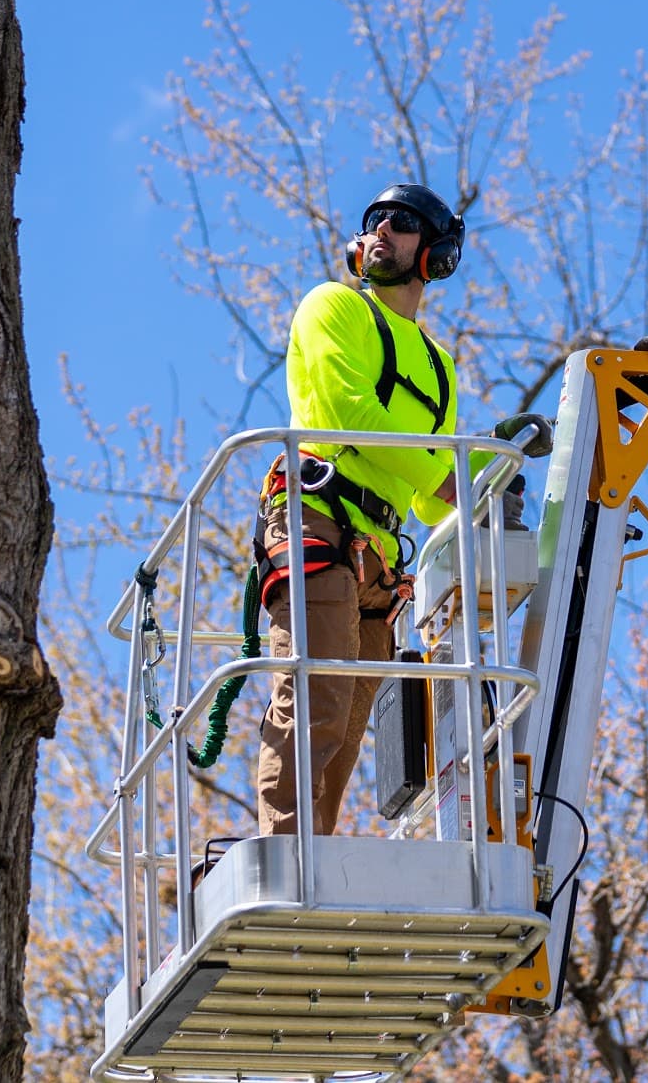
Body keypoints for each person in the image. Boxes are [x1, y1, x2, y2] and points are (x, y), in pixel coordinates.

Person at [253, 183, 467, 836]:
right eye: (373, 220)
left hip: (377, 554)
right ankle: (287, 856)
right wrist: (448, 475)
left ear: (435, 255)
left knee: (347, 728)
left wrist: (496, 481)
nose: (381, 231)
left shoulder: (439, 367)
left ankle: (314, 851)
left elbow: (434, 499)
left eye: (400, 223)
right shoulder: (333, 306)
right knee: (315, 697)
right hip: (315, 516)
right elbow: (350, 414)